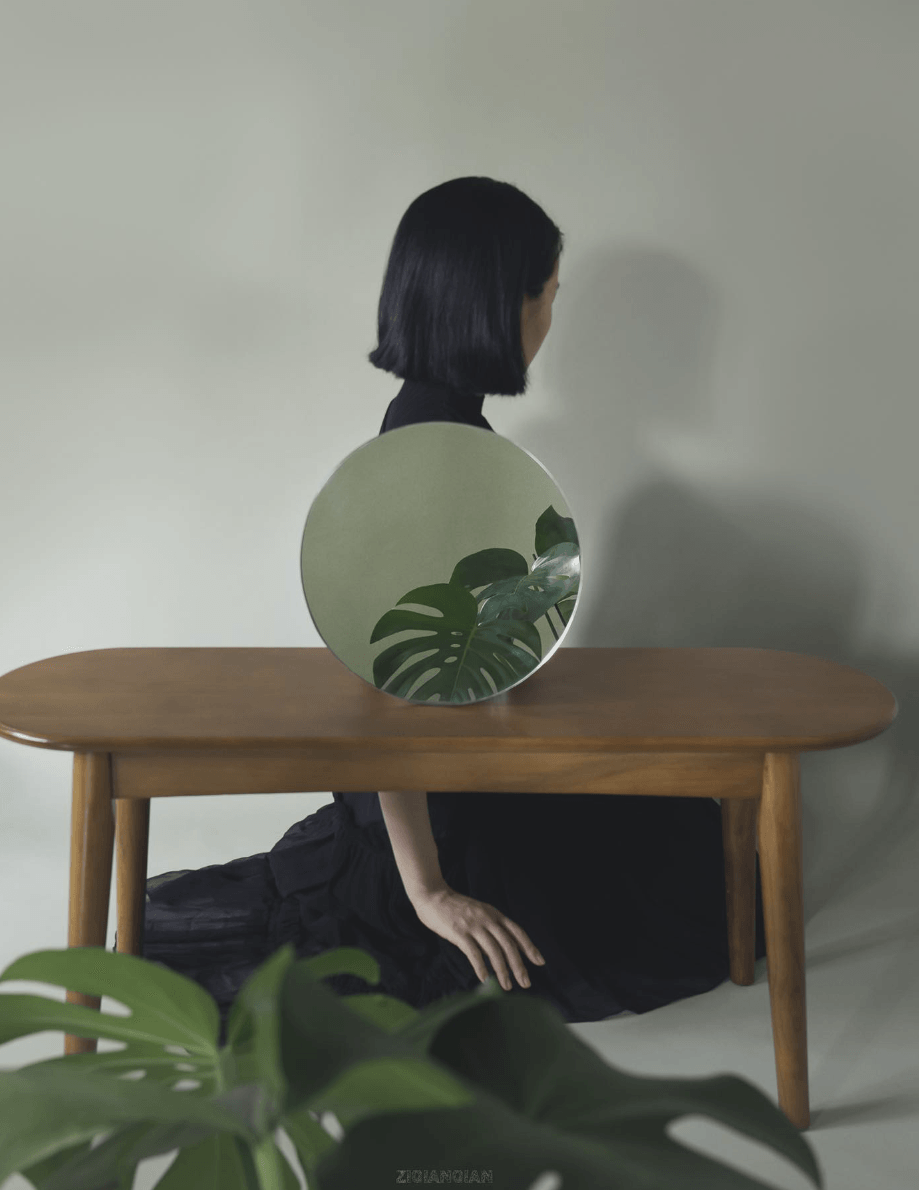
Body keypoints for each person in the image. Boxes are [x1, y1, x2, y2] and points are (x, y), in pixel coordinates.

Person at [132, 176, 765, 1044]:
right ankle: (409, 891)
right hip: (431, 807)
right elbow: (391, 689)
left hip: (438, 770)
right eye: (548, 294)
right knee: (691, 883)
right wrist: (429, 891)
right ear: (503, 307)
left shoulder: (431, 425)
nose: (551, 318)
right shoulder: (441, 457)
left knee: (680, 824)